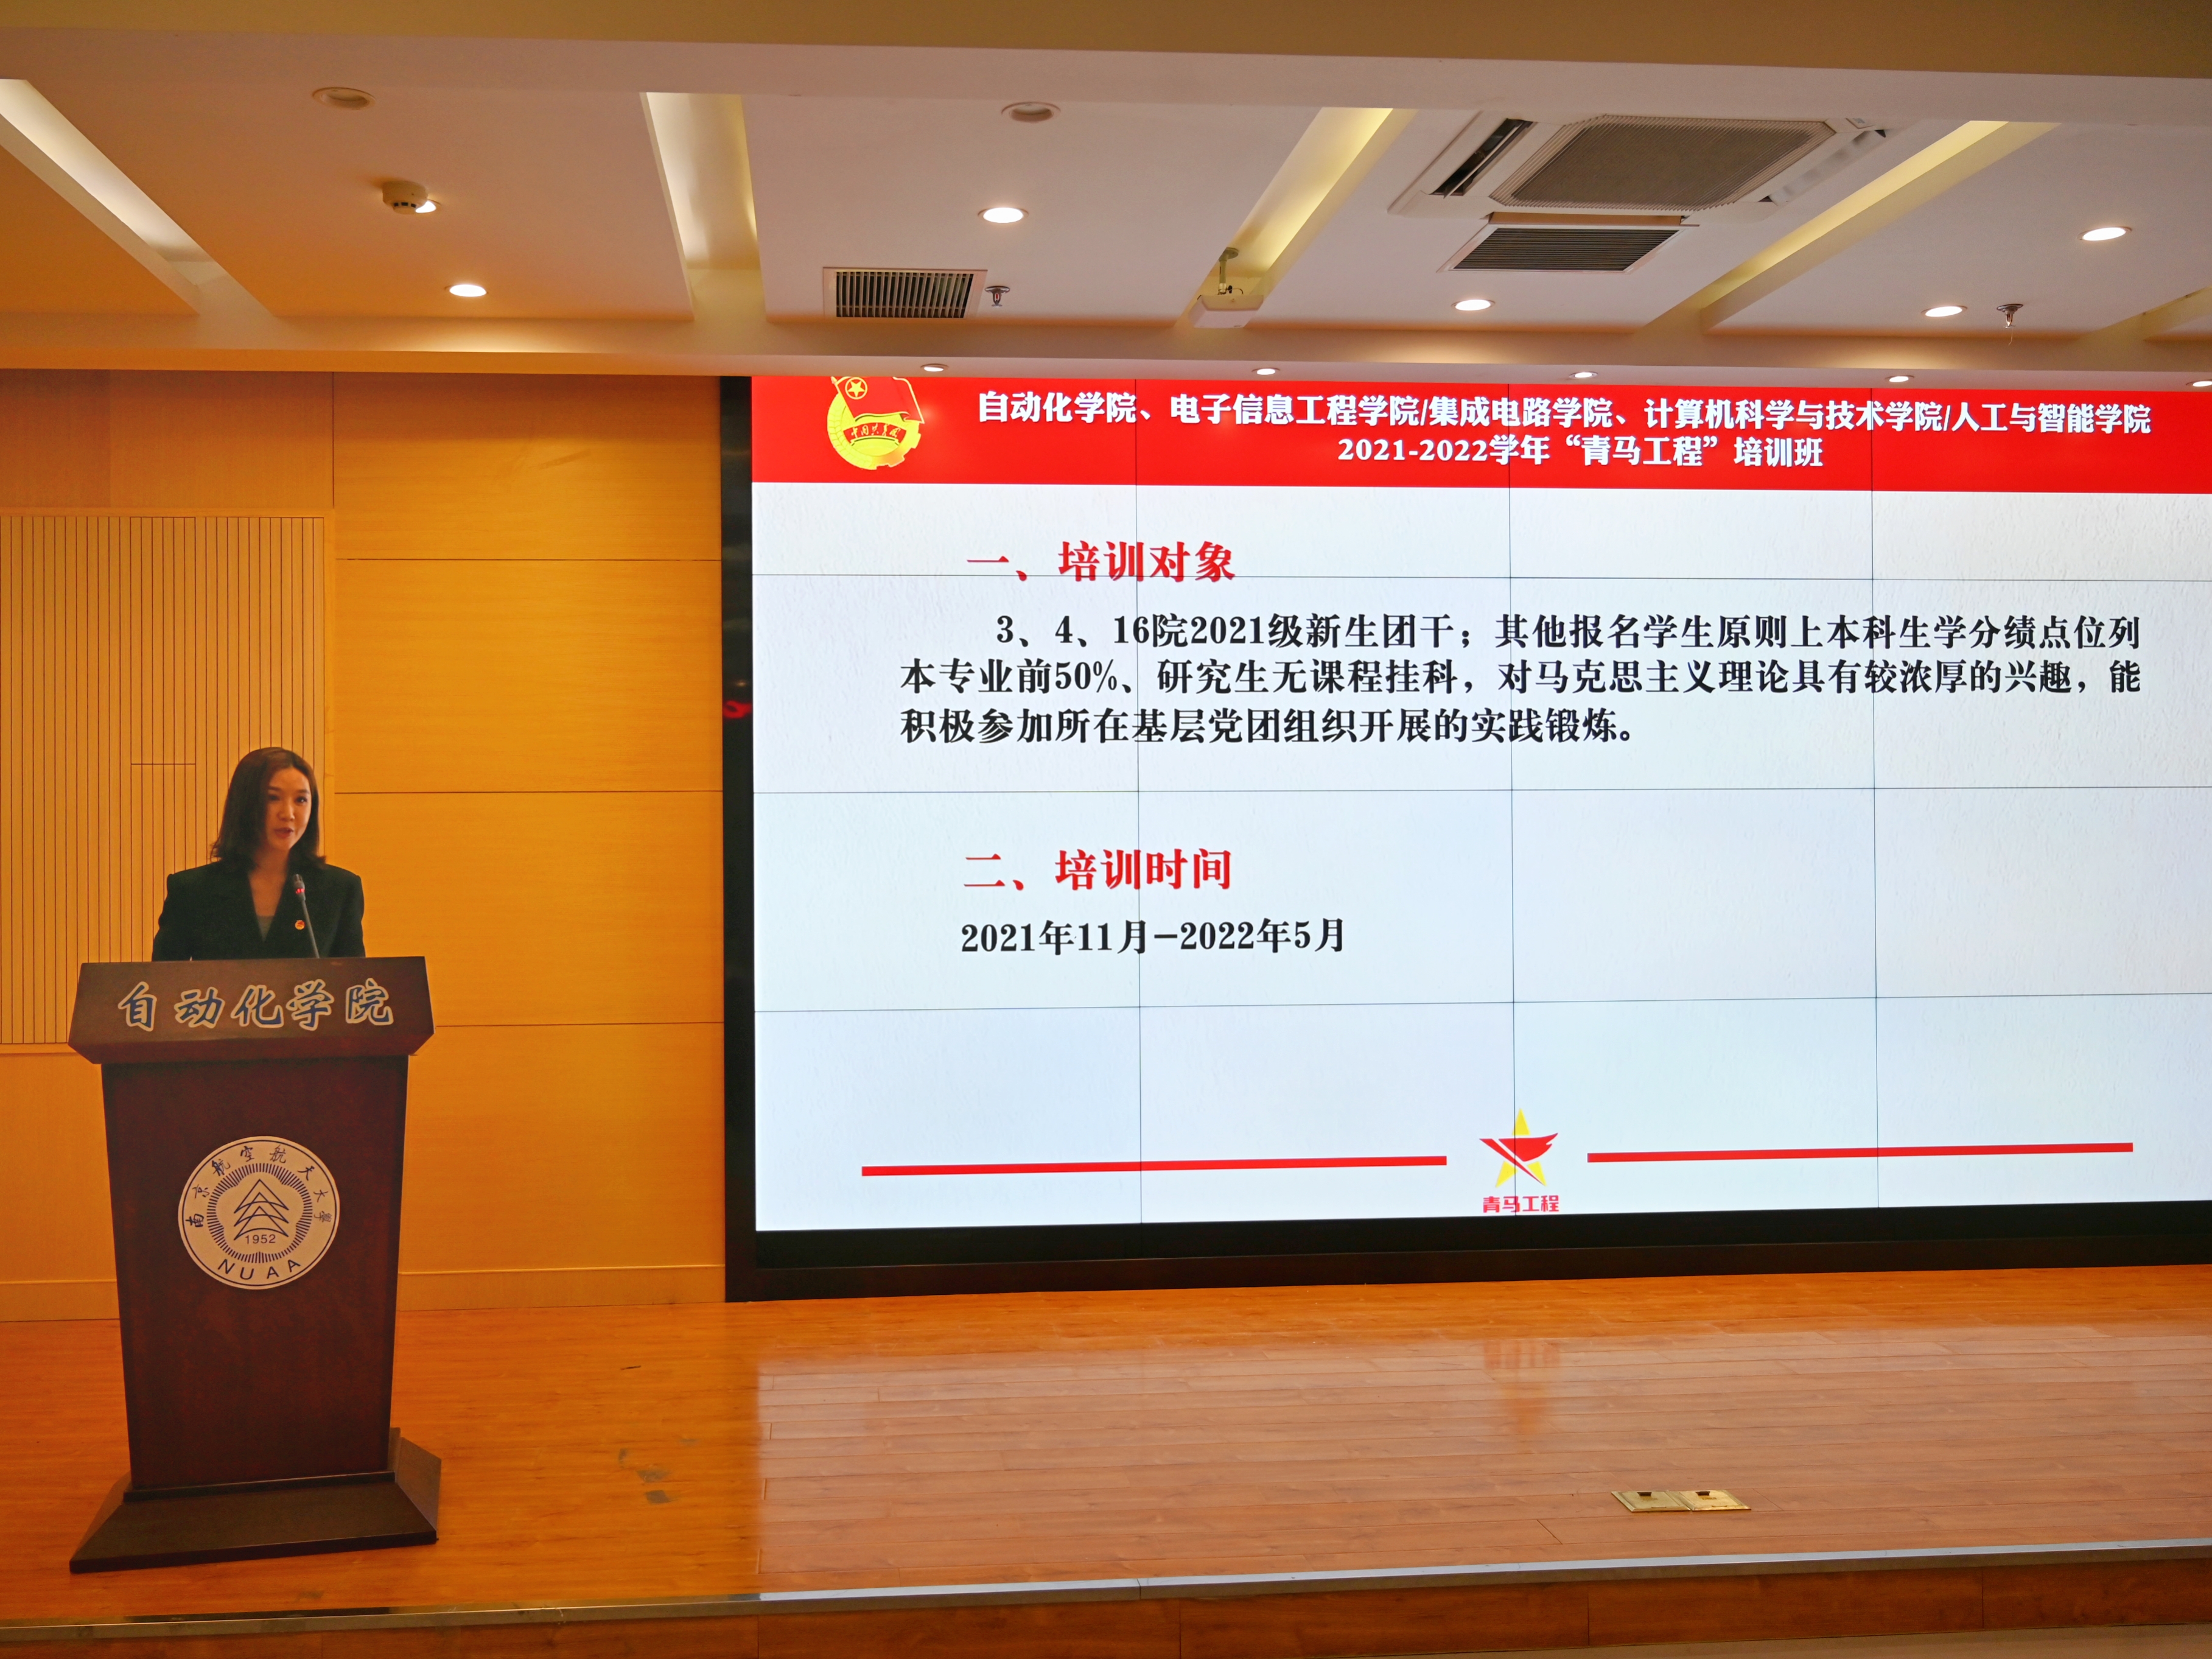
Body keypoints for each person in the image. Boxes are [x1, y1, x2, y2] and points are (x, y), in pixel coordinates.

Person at [152, 748, 365, 960]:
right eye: (273, 798)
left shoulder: (340, 889)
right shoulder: (192, 891)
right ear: (244, 803)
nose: (288, 814)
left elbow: (352, 979)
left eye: (301, 800)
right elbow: (165, 979)